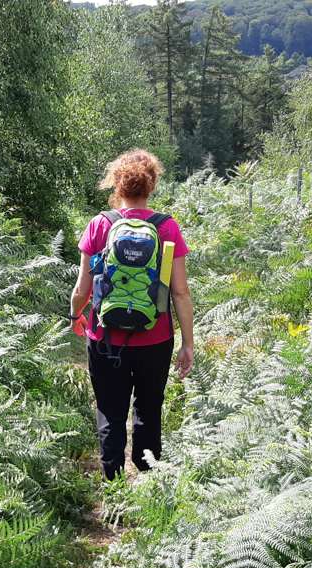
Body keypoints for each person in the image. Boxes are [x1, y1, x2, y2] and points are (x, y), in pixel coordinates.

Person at [69, 149, 194, 480]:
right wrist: (187, 343)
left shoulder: (100, 225)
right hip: (156, 338)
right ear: (151, 186)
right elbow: (180, 292)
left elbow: (83, 288)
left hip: (106, 337)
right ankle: (149, 481)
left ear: (116, 185)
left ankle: (113, 485)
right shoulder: (167, 228)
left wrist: (75, 315)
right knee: (149, 409)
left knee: (110, 410)